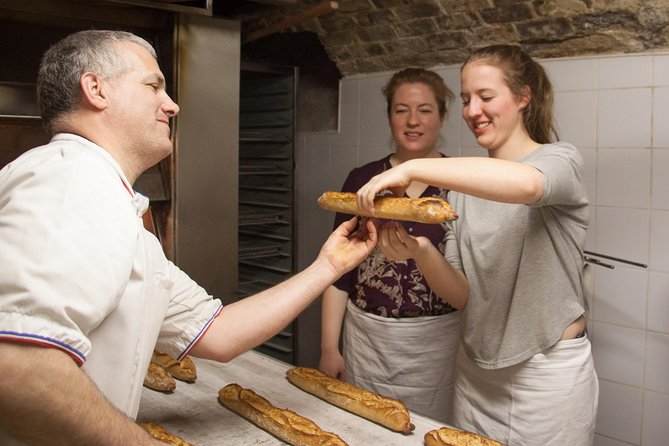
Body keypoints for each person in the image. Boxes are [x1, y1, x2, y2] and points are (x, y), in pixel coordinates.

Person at [0, 30, 377, 446]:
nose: (172, 104)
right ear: (96, 89)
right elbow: (17, 365)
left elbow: (218, 333)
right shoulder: (72, 178)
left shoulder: (118, 210)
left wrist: (329, 266)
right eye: (153, 85)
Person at [355, 45, 598, 445]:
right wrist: (419, 250)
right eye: (467, 99)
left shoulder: (559, 160)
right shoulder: (463, 190)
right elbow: (462, 294)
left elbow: (527, 185)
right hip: (476, 374)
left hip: (545, 374)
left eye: (486, 97)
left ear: (523, 98)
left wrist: (413, 165)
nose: (472, 110)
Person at [318, 68, 466, 423]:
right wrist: (328, 348)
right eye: (401, 110)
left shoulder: (462, 184)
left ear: (442, 116)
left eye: (425, 110)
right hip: (368, 340)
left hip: (436, 346)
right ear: (389, 117)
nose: (412, 121)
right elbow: (340, 273)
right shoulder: (362, 181)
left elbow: (471, 284)